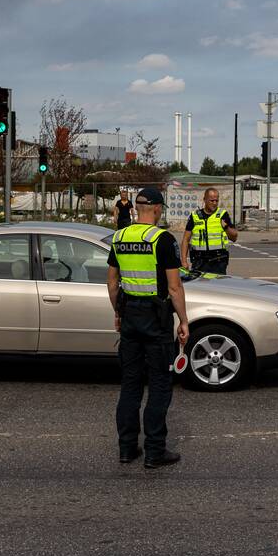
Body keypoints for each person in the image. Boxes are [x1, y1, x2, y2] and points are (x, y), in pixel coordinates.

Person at [107, 187, 189, 469]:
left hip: (130, 316)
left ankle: (127, 449)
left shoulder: (119, 237)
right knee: (159, 386)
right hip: (156, 320)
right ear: (156, 209)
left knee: (129, 386)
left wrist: (119, 312)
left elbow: (112, 282)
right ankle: (155, 451)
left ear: (135, 208)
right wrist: (184, 321)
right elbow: (175, 287)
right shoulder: (162, 239)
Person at [180, 188, 238, 275]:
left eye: (216, 200)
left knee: (217, 287)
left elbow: (234, 237)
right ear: (204, 200)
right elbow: (185, 239)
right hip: (199, 261)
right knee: (200, 287)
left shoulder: (222, 214)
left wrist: (226, 227)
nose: (214, 203)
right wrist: (184, 261)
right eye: (211, 200)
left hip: (218, 262)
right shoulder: (195, 216)